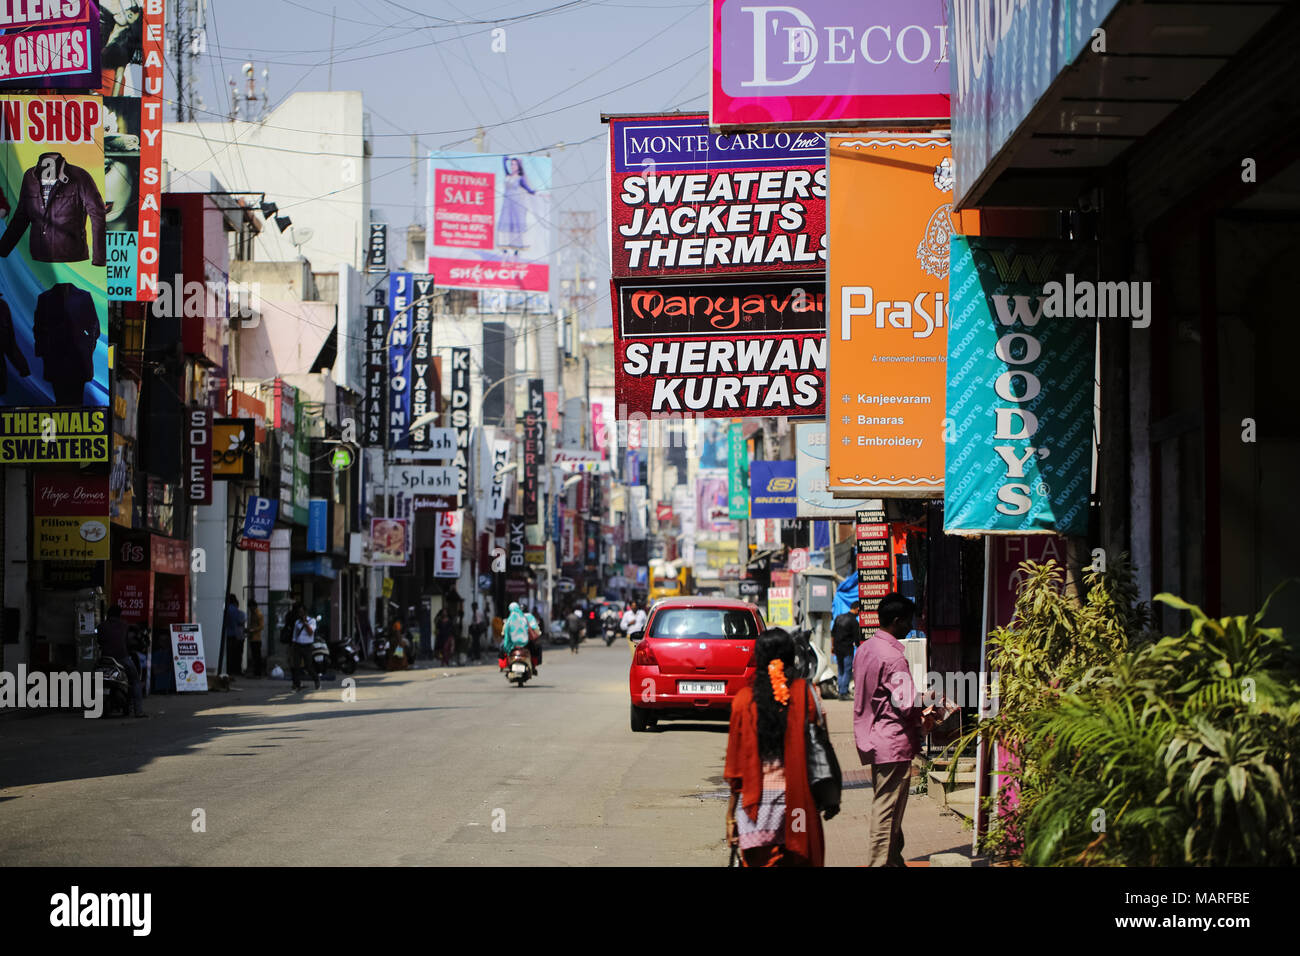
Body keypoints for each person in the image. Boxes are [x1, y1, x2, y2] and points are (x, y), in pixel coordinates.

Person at [724, 628, 826, 867]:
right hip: (798, 807)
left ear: (758, 659)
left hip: (756, 809)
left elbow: (736, 769)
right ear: (792, 658)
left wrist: (730, 816)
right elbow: (818, 750)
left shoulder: (744, 701)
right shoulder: (806, 696)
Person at [853, 593, 936, 867]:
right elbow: (907, 702)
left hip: (874, 737)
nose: (910, 626)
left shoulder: (865, 649)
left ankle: (893, 861)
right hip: (892, 741)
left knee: (889, 807)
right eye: (908, 621)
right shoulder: (893, 658)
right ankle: (880, 862)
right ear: (897, 621)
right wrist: (931, 700)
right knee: (887, 811)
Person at [98, 605, 145, 717]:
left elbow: (99, 641)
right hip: (122, 658)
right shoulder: (124, 625)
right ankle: (138, 711)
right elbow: (127, 641)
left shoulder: (101, 626)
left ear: (108, 614)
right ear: (119, 615)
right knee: (135, 681)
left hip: (105, 659)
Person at [830, 600, 862, 700]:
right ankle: (843, 693)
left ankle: (841, 691)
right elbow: (857, 638)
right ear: (857, 609)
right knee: (847, 671)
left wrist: (832, 647)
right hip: (847, 649)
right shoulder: (854, 621)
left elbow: (832, 634)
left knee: (840, 671)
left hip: (837, 648)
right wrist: (859, 648)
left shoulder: (839, 618)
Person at [290, 603, 320, 691]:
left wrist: (305, 623)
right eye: (299, 613)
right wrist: (293, 646)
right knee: (296, 665)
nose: (300, 614)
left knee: (308, 666)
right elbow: (295, 636)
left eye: (302, 613)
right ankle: (297, 684)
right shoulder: (297, 622)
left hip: (307, 646)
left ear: (305, 613)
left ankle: (316, 680)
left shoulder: (312, 621)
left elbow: (311, 632)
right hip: (298, 646)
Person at [500, 603, 534, 674]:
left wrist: (507, 645)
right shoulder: (524, 619)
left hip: (513, 644)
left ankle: (504, 666)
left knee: (502, 648)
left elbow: (507, 634)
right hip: (525, 643)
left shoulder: (510, 620)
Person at [223, 594, 246, 678]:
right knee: (237, 654)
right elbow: (241, 621)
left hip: (227, 634)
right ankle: (236, 670)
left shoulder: (226, 609)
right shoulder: (237, 611)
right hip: (236, 635)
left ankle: (229, 670)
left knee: (229, 654)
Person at [246, 598, 265, 678]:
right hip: (252, 637)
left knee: (257, 656)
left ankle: (258, 673)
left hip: (256, 638)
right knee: (254, 656)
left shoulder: (258, 614)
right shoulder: (253, 614)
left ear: (254, 606)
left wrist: (252, 630)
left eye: (250, 607)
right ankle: (255, 672)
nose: (250, 609)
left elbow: (261, 626)